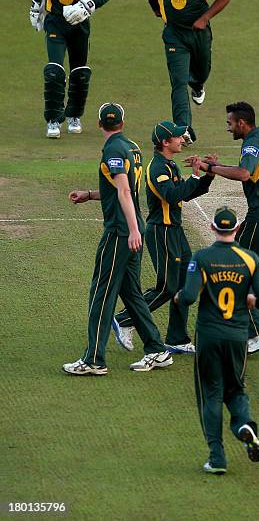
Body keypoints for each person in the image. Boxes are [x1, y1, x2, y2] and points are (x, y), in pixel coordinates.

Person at [63, 103, 173, 375]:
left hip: (120, 233)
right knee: (131, 293)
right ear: (122, 123)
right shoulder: (132, 148)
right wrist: (90, 194)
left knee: (101, 293)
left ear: (99, 124)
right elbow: (122, 189)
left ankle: (93, 360)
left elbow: (124, 191)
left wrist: (132, 230)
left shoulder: (112, 149)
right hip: (133, 230)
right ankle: (157, 349)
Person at [193, 101, 259, 359]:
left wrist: (209, 168)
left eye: (230, 123)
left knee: (236, 268)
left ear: (242, 122)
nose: (228, 128)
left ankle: (256, 334)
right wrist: (216, 166)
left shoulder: (251, 143)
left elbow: (243, 174)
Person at [175, 206, 259, 474]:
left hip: (208, 335)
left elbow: (189, 296)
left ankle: (217, 458)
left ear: (213, 228)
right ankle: (243, 425)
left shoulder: (203, 257)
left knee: (211, 395)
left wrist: (177, 297)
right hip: (237, 336)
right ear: (237, 228)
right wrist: (251, 299)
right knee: (236, 388)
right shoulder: (250, 258)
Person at [112, 121, 215, 355]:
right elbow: (172, 195)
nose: (182, 140)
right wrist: (193, 177)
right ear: (165, 142)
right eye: (178, 137)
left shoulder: (170, 165)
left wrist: (206, 175)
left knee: (184, 284)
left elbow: (187, 195)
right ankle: (124, 318)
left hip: (175, 231)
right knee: (167, 287)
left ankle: (177, 339)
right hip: (162, 232)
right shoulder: (157, 168)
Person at [30, 0, 111, 139]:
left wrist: (90, 4)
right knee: (54, 71)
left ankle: (74, 116)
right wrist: (35, 3)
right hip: (55, 22)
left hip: (79, 26)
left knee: (79, 73)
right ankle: (53, 120)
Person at [143, 0, 231, 127]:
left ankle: (198, 85)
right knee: (178, 82)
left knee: (201, 72)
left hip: (199, 33)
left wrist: (204, 18)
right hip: (174, 34)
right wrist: (155, 7)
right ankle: (183, 129)